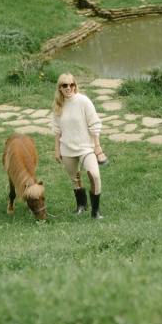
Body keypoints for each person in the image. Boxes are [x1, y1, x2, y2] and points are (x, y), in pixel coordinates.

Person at [51, 73, 106, 219]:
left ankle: (96, 211)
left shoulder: (83, 101)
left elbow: (94, 123)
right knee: (75, 178)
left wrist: (97, 146)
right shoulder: (58, 105)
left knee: (94, 175)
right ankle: (81, 205)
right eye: (64, 85)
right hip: (67, 149)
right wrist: (57, 150)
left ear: (75, 86)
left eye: (71, 85)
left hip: (86, 148)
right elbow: (57, 131)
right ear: (60, 88)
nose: (68, 88)